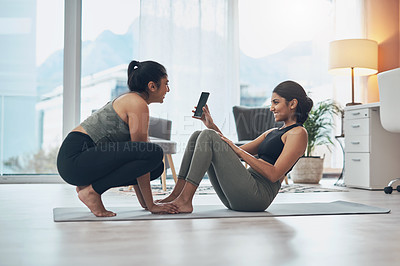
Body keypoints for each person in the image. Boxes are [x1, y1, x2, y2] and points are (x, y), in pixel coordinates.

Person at [158, 80, 313, 213]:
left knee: (208, 136)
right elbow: (231, 152)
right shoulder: (273, 132)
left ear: (292, 103)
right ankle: (177, 195)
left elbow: (274, 174)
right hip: (241, 191)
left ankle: (185, 200)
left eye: (276, 102)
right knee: (197, 135)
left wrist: (235, 148)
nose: (271, 108)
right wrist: (212, 125)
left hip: (257, 196)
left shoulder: (298, 133)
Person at [57, 60, 179, 217]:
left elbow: (137, 158)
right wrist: (152, 206)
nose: (168, 89)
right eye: (166, 84)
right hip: (75, 158)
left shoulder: (132, 100)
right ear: (152, 86)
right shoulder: (137, 103)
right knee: (154, 153)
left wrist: (146, 204)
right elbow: (144, 152)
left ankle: (89, 188)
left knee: (156, 168)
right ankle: (92, 192)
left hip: (77, 163)